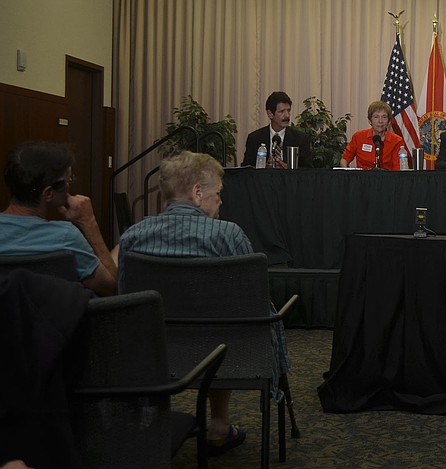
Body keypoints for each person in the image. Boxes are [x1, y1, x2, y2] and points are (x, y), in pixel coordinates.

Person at [117, 150, 292, 456]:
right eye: (218, 194)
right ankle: (220, 425)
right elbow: (253, 300)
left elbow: (125, 301)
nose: (220, 202)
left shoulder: (132, 237)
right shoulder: (229, 236)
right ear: (198, 194)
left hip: (152, 352)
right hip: (225, 356)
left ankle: (152, 427)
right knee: (224, 320)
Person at [0, 141, 117, 296]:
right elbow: (111, 286)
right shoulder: (66, 237)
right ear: (48, 193)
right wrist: (89, 222)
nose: (70, 185)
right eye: (69, 180)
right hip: (57, 320)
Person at [242, 91, 312, 168]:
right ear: (270, 114)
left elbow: (308, 171)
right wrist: (264, 168)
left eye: (288, 111)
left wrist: (288, 168)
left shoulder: (301, 139)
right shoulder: (255, 138)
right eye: (282, 111)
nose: (287, 115)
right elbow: (246, 170)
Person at [339, 101, 404, 170]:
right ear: (370, 120)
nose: (380, 121)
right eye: (376, 117)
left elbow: (398, 169)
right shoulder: (358, 137)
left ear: (389, 121)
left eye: (384, 117)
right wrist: (347, 174)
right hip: (362, 179)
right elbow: (344, 160)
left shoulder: (397, 141)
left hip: (387, 179)